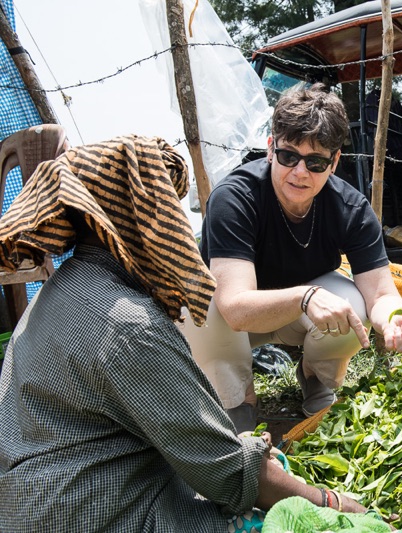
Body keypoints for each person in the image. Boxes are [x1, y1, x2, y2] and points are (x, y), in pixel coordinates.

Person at [0, 136, 368, 532]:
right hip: (97, 514)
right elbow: (229, 473)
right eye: (166, 207)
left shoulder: (60, 290)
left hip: (30, 506)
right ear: (144, 216)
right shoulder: (130, 328)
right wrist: (333, 503)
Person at [185, 83, 402, 430]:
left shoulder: (351, 208)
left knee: (353, 302)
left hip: (300, 315)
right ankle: (238, 402)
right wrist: (304, 296)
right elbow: (235, 309)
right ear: (270, 149)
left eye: (315, 162)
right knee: (200, 305)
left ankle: (317, 377)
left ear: (334, 162)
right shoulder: (234, 198)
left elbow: (381, 294)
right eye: (288, 156)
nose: (299, 172)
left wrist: (394, 320)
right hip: (232, 324)